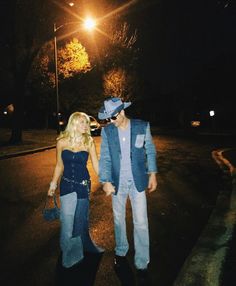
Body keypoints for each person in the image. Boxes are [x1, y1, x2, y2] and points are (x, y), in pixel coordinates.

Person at [98, 97, 157, 285]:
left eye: (112, 118)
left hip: (138, 181)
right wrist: (105, 180)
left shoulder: (142, 126)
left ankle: (142, 262)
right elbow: (105, 157)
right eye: (107, 119)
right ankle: (121, 250)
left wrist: (153, 174)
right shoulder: (107, 132)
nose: (110, 122)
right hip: (117, 183)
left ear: (122, 112)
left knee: (141, 222)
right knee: (118, 219)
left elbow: (150, 150)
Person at [48, 111, 103, 268]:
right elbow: (59, 165)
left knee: (79, 221)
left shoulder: (89, 142)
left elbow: (96, 165)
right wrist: (53, 184)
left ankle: (80, 250)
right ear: (73, 123)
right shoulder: (62, 142)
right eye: (82, 122)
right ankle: (67, 252)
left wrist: (107, 181)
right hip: (66, 185)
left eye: (86, 122)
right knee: (66, 222)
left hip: (83, 185)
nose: (86, 125)